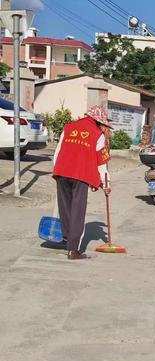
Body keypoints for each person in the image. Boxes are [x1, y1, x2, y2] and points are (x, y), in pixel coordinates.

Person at [52, 105, 112, 260]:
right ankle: (73, 250)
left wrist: (56, 170)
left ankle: (66, 238)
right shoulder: (97, 134)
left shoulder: (69, 127)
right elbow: (101, 163)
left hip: (61, 171)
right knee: (78, 211)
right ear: (99, 121)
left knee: (64, 207)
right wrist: (106, 184)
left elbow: (58, 151)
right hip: (81, 175)